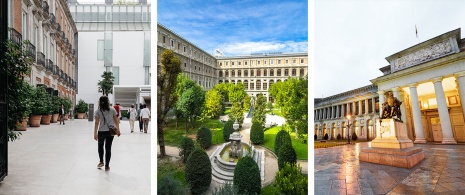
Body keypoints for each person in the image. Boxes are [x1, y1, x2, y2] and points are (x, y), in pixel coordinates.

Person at [94, 96, 121, 171]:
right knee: (108, 148)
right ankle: (107, 166)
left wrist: (95, 133)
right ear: (108, 101)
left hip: (101, 132)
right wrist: (118, 130)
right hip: (110, 132)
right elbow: (116, 120)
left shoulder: (98, 111)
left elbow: (96, 122)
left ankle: (101, 161)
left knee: (100, 147)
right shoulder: (112, 109)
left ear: (99, 102)